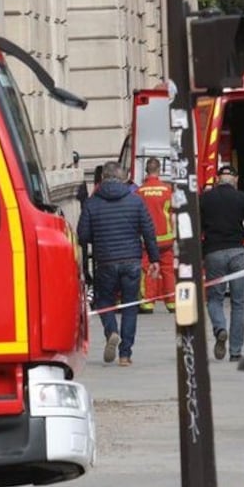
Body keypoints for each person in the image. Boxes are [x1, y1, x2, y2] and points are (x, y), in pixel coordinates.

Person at [77, 162, 160, 366]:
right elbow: (149, 232)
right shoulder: (135, 201)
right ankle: (125, 355)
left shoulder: (91, 203)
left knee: (104, 301)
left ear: (103, 178)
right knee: (130, 305)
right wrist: (155, 259)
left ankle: (111, 331)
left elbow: (83, 235)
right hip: (132, 260)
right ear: (123, 178)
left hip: (105, 260)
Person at [199, 164, 244, 362]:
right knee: (238, 303)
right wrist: (238, 234)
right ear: (235, 179)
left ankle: (220, 328)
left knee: (214, 298)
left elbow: (198, 228)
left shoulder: (205, 198)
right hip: (237, 253)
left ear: (217, 179)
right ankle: (235, 351)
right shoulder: (243, 198)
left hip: (213, 252)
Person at [136, 157, 175, 314]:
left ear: (146, 171)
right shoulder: (167, 190)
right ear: (159, 171)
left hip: (147, 239)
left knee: (148, 269)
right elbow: (173, 214)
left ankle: (148, 303)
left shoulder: (139, 192)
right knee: (168, 270)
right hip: (166, 238)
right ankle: (172, 302)